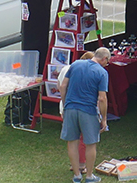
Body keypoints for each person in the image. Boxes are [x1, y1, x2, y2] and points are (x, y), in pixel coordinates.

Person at [59, 47, 110, 183]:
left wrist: (65, 105)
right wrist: (104, 119)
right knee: (91, 144)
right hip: (88, 110)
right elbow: (102, 98)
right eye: (107, 62)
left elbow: (63, 86)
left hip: (70, 108)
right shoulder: (102, 72)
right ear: (104, 59)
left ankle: (76, 176)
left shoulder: (75, 64)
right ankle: (89, 176)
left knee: (72, 143)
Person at [59, 51, 96, 179]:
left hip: (66, 107)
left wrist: (64, 104)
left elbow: (60, 86)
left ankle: (75, 169)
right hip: (80, 106)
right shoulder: (87, 71)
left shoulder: (66, 68)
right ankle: (81, 165)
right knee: (83, 139)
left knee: (72, 139)